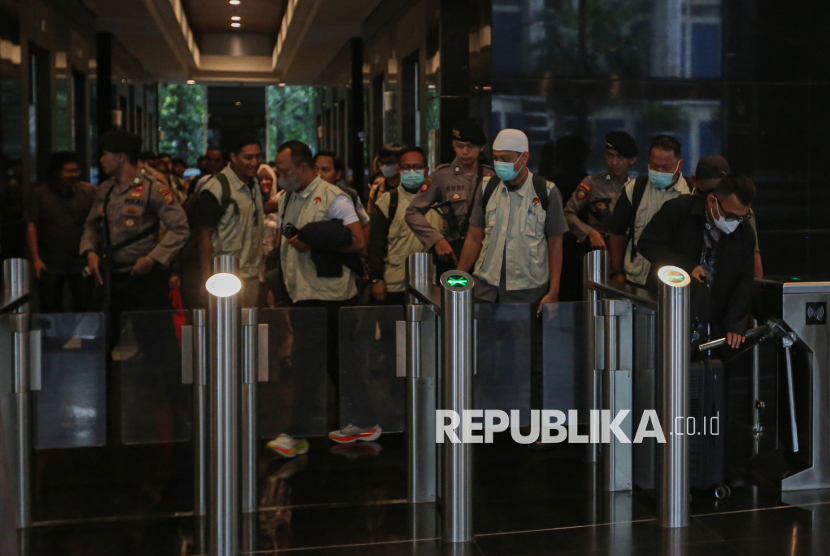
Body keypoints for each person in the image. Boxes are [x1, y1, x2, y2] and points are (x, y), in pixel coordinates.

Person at [274, 140, 377, 450]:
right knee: (338, 362)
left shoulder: (335, 197)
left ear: (302, 168)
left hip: (330, 296)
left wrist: (315, 242)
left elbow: (358, 241)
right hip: (301, 291)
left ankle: (297, 432)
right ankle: (362, 421)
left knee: (308, 364)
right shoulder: (287, 198)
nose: (280, 176)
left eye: (285, 170)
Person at [79, 131, 189, 338]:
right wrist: (90, 251)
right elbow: (91, 225)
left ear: (121, 157)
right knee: (102, 341)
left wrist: (153, 258)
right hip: (109, 277)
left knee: (155, 339)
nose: (101, 160)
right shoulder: (106, 189)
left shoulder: (153, 189)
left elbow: (180, 228)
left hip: (143, 277)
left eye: (105, 154)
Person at [638, 174, 757, 348]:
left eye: (742, 217)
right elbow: (647, 244)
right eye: (731, 216)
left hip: (715, 317)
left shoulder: (744, 232)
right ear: (712, 200)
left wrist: (735, 323)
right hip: (670, 308)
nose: (735, 222)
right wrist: (686, 266)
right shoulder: (678, 210)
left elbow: (744, 280)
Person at [458, 128, 569, 313]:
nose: (499, 163)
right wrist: (458, 280)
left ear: (524, 157)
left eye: (506, 158)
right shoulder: (486, 188)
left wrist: (554, 291)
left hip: (528, 292)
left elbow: (555, 244)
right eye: (496, 158)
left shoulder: (546, 192)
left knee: (524, 332)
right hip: (485, 290)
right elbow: (474, 238)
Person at [405, 120, 494, 276]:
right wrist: (436, 240)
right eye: (460, 146)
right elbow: (413, 212)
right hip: (453, 252)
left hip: (487, 254)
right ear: (453, 145)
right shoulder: (441, 177)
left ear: (481, 148)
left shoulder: (492, 176)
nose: (465, 152)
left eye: (470, 146)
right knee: (453, 290)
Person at [607, 135, 690, 286]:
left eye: (665, 167)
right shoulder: (634, 189)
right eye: (654, 165)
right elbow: (616, 232)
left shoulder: (690, 193)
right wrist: (617, 272)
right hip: (636, 278)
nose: (659, 171)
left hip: (675, 281)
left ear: (679, 165)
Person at [195, 134, 264, 307]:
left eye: (258, 156)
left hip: (251, 273)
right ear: (233, 157)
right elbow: (204, 236)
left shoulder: (254, 185)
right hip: (224, 276)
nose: (255, 162)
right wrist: (207, 278)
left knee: (249, 320)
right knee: (225, 321)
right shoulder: (216, 188)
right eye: (248, 157)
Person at [368, 147, 443, 305]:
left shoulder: (439, 201)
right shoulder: (388, 202)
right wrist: (377, 279)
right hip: (396, 287)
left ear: (426, 170)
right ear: (399, 170)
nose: (412, 171)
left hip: (432, 284)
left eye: (417, 167)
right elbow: (375, 244)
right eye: (407, 167)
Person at [25, 151, 95, 312]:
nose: (74, 175)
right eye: (69, 171)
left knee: (84, 304)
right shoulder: (39, 194)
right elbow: (31, 225)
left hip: (79, 259)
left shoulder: (86, 192)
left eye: (76, 170)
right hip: (50, 260)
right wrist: (35, 258)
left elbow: (93, 224)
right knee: (50, 305)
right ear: (56, 173)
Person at [690, 155, 764, 278]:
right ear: (695, 181)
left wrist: (756, 286)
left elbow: (753, 257)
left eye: (719, 190)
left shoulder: (742, 214)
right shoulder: (682, 208)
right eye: (707, 191)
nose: (711, 197)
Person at [313, 150, 370, 230]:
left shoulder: (349, 194)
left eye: (325, 170)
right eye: (316, 169)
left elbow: (365, 224)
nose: (319, 175)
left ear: (338, 174)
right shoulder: (304, 193)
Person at [367, 143, 405, 214]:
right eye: (382, 162)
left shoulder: (411, 190)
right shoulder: (376, 191)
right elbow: (371, 216)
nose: (385, 166)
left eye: (389, 162)